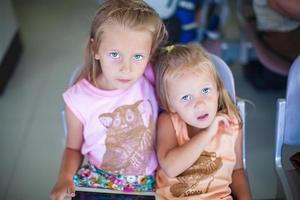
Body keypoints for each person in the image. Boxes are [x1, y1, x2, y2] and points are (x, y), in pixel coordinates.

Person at [50, 0, 167, 199]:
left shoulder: (150, 76)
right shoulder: (78, 99)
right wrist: (65, 178)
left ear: (149, 55)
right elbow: (73, 147)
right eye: (115, 54)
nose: (126, 68)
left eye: (138, 56)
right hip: (101, 182)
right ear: (95, 49)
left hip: (152, 182)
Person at [154, 44, 252, 199]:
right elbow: (171, 168)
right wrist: (208, 133)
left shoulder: (231, 123)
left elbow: (237, 171)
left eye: (206, 91)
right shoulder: (168, 121)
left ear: (218, 90)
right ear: (171, 105)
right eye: (186, 98)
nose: (200, 104)